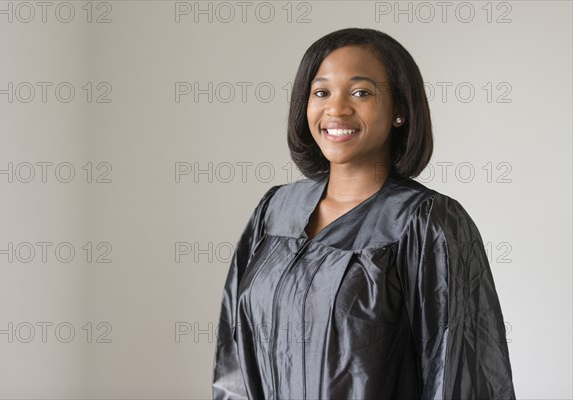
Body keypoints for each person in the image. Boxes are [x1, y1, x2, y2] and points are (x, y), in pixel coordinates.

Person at [212, 28, 516, 399]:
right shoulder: (275, 210)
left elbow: (458, 372)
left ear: (399, 111)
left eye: (361, 92)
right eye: (321, 92)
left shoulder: (426, 222)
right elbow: (234, 362)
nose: (336, 109)